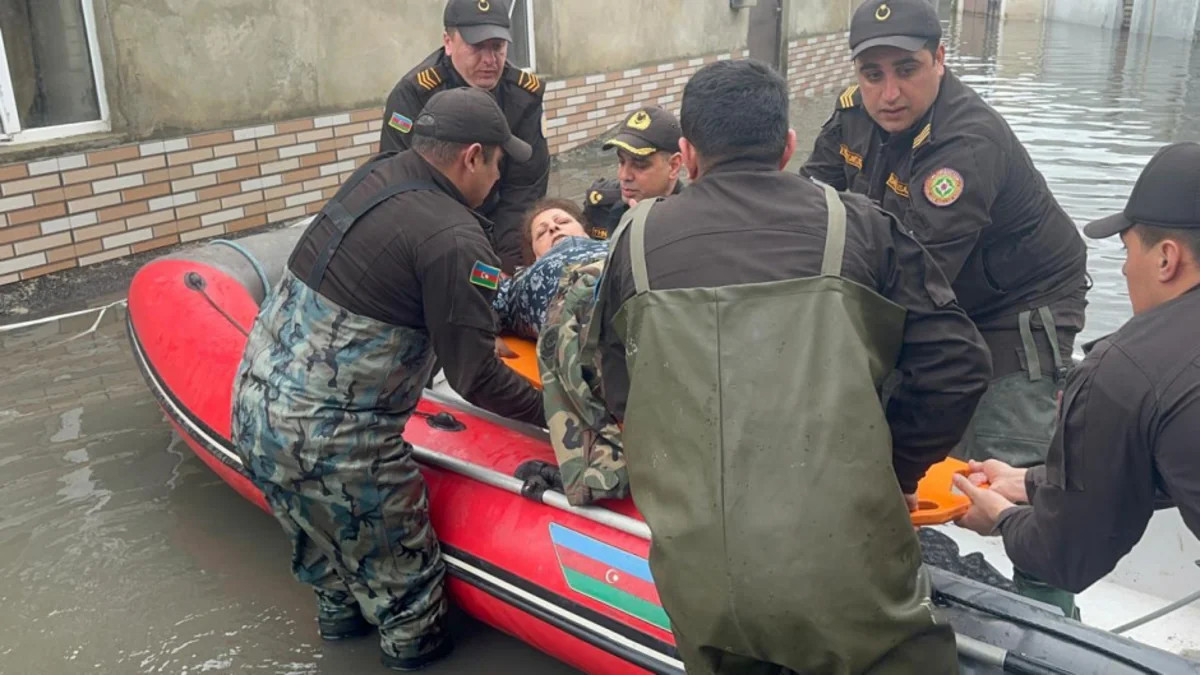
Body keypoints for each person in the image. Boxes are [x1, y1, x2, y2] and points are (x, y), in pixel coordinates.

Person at [592, 58, 992, 674]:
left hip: (700, 577)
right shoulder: (860, 227)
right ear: (786, 147)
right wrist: (895, 469)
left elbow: (620, 387)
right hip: (843, 575)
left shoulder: (633, 243)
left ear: (688, 155)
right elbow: (958, 367)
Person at [231, 87, 544, 671]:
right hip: (339, 450)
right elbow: (476, 380)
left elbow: (384, 291)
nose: (500, 178)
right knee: (412, 615)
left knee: (334, 585)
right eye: (499, 161)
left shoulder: (373, 177)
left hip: (253, 413)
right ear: (471, 156)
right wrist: (561, 415)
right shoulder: (455, 237)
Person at [800, 0, 1089, 469]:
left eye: (907, 69)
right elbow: (812, 206)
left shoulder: (966, 143)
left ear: (940, 58)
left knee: (1005, 452)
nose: (889, 93)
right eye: (872, 75)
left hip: (1017, 304)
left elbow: (922, 275)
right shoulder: (852, 114)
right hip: (924, 274)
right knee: (881, 417)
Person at [954, 142, 1200, 597]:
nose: (1125, 270)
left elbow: (1064, 556)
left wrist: (1001, 519)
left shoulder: (1127, 368)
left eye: (1128, 251)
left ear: (1167, 258)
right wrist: (1031, 481)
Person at [379, 0, 549, 272]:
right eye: (477, 47)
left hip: (502, 224)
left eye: (497, 47)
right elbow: (403, 187)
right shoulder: (413, 95)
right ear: (448, 41)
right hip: (435, 229)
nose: (489, 60)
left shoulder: (522, 95)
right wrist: (462, 251)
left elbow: (525, 187)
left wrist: (506, 266)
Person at [493, 198, 607, 340]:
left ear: (585, 232)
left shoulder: (614, 244)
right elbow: (476, 290)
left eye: (563, 222)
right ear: (536, 257)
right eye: (541, 233)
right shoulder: (523, 282)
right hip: (585, 315)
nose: (553, 227)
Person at [582, 105, 685, 240]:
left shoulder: (692, 219)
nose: (624, 176)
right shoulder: (601, 206)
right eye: (621, 161)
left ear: (673, 166)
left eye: (639, 165)